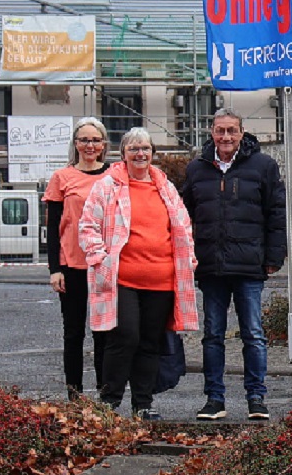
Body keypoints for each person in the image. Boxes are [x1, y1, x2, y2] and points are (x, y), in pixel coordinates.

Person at [78, 127, 199, 420]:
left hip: (161, 279)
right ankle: (109, 400)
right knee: (125, 337)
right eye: (133, 149)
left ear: (153, 153)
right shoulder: (107, 186)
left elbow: (183, 226)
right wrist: (100, 258)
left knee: (150, 341)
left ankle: (143, 404)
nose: (140, 154)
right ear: (123, 154)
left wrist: (189, 259)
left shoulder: (166, 187)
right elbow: (88, 226)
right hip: (122, 278)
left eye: (145, 148)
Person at [181, 110, 286, 421]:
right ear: (211, 132)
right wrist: (185, 258)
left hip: (250, 266)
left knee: (253, 333)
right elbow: (183, 218)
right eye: (220, 130)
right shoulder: (197, 169)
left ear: (242, 133)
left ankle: (256, 397)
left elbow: (276, 214)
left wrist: (274, 257)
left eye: (231, 131)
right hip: (210, 266)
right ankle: (214, 399)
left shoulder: (263, 167)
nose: (225, 137)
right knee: (213, 334)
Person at [43, 116, 112, 399]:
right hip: (71, 265)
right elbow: (53, 227)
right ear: (75, 144)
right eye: (84, 140)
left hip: (104, 266)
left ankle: (105, 395)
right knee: (73, 334)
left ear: (104, 144)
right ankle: (74, 394)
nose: (90, 145)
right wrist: (54, 269)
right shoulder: (62, 177)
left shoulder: (114, 175)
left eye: (95, 140)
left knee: (104, 334)